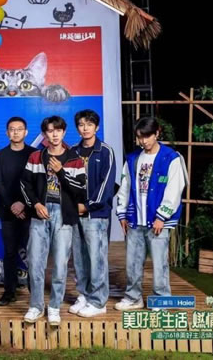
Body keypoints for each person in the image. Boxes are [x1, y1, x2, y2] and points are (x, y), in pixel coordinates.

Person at [115, 117, 187, 311]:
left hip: (158, 221)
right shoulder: (132, 159)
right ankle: (133, 298)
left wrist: (162, 216)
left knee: (159, 263)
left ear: (157, 133)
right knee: (132, 263)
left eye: (147, 136)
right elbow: (125, 187)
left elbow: (175, 189)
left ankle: (161, 299)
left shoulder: (171, 158)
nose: (144, 141)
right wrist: (122, 214)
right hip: (135, 220)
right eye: (140, 137)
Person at [21, 116, 86, 325]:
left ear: (64, 132)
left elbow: (80, 189)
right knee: (35, 262)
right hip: (39, 213)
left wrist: (61, 172)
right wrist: (35, 204)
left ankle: (55, 307)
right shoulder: (35, 157)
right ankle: (36, 306)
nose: (54, 134)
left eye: (58, 130)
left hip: (64, 214)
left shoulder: (75, 159)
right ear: (45, 134)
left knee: (60, 264)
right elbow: (25, 184)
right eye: (50, 131)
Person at [70, 109, 116, 317]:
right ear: (77, 128)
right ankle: (84, 294)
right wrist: (73, 205)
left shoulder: (105, 151)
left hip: (96, 215)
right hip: (75, 213)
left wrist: (87, 206)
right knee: (79, 257)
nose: (85, 128)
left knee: (97, 258)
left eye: (89, 124)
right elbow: (67, 182)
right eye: (81, 124)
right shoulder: (73, 151)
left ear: (96, 127)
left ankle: (98, 302)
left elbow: (107, 185)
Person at [0, 117, 36, 306]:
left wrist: (24, 204)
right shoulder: (0, 155)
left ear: (26, 132)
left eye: (19, 129)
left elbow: (37, 183)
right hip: (8, 212)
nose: (16, 132)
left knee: (33, 253)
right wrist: (12, 205)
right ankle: (9, 292)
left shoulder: (34, 154)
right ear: (7, 132)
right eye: (12, 129)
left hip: (30, 212)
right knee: (9, 253)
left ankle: (35, 292)